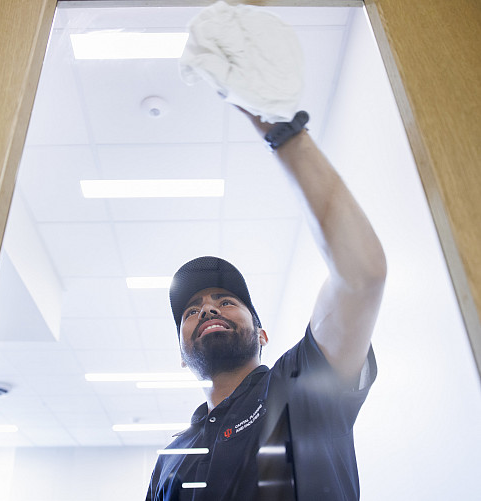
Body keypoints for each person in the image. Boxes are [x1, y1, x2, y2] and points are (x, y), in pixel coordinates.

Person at [146, 108, 387, 501]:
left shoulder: (300, 385)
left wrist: (283, 134)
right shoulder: (169, 459)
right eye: (191, 311)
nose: (207, 309)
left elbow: (362, 274)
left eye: (225, 301)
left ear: (261, 333)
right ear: (181, 355)